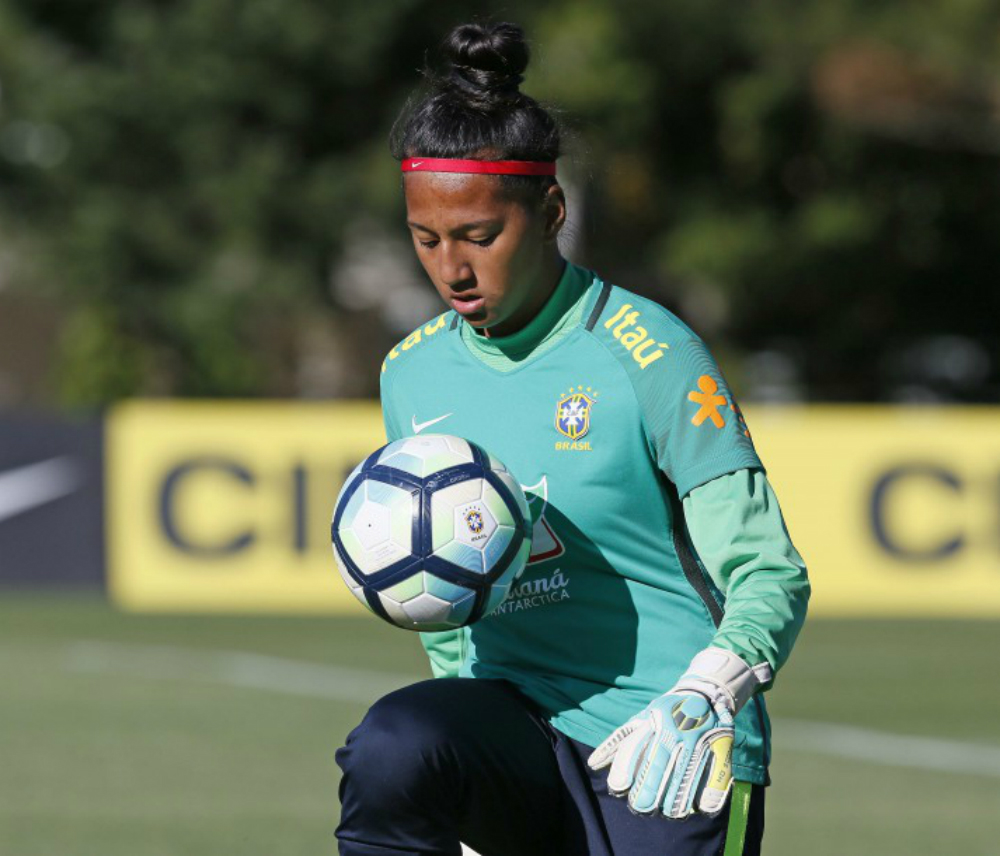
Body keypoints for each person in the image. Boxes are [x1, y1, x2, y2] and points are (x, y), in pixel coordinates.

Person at [336, 20, 809, 857]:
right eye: (426, 239)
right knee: (394, 746)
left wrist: (712, 689)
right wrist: (469, 792)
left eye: (481, 236)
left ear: (549, 210)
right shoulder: (410, 374)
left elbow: (767, 569)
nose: (452, 268)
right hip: (517, 729)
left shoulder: (651, 352)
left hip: (667, 742)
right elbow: (447, 613)